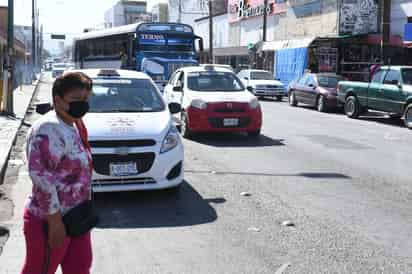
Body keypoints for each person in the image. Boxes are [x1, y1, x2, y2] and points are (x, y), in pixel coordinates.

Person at [21, 72, 93, 274]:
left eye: (86, 99)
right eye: (76, 99)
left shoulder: (74, 122)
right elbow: (42, 178)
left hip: (76, 217)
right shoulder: (49, 129)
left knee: (80, 267)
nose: (83, 104)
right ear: (58, 100)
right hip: (51, 220)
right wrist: (54, 222)